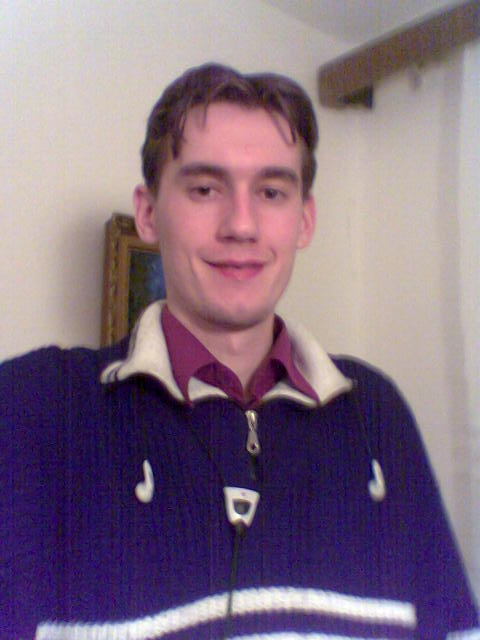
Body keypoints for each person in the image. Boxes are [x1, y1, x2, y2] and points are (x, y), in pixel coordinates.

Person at [0, 63, 478, 640]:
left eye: (272, 192)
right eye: (205, 188)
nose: (242, 225)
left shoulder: (377, 412)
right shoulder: (33, 408)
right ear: (148, 214)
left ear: (304, 220)